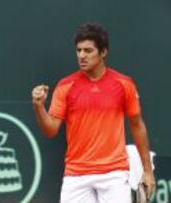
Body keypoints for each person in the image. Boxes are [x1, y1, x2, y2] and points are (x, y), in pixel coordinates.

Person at [32, 23, 155, 203]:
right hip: (76, 174)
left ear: (103, 52)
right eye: (79, 50)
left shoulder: (124, 84)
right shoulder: (65, 86)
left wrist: (147, 172)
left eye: (88, 51)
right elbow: (50, 130)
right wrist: (39, 107)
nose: (82, 56)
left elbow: (137, 125)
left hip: (114, 173)